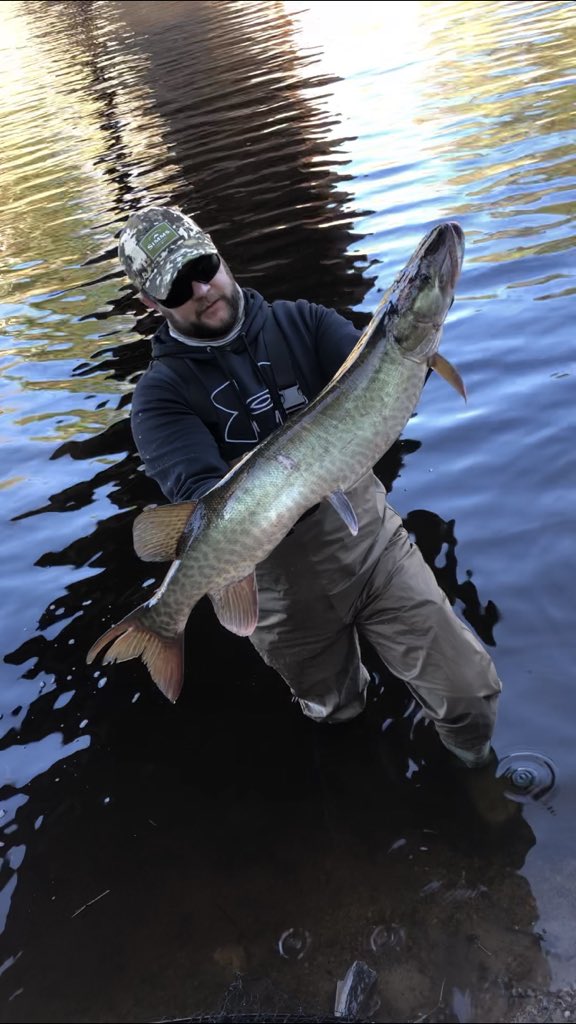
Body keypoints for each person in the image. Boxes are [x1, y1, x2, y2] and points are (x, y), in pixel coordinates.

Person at [117, 205, 502, 768]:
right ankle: (362, 805)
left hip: (372, 550)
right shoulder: (159, 398)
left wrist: (412, 357)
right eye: (177, 285)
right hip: (279, 592)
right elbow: (204, 501)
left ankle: (477, 778)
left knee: (469, 692)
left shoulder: (304, 321)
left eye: (203, 265)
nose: (201, 288)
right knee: (335, 713)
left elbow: (376, 388)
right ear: (153, 304)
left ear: (219, 253)